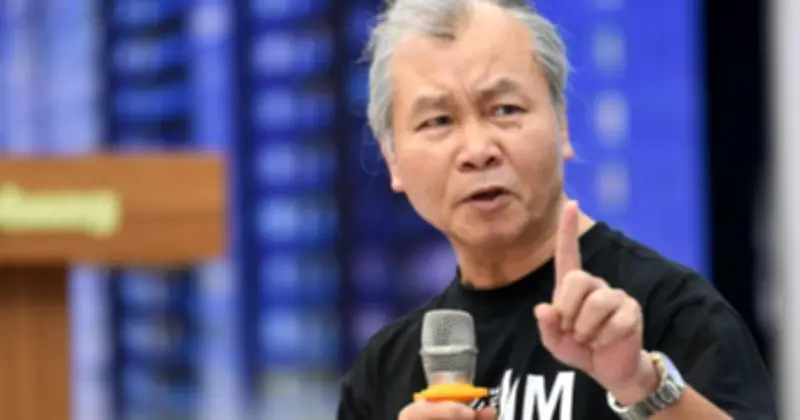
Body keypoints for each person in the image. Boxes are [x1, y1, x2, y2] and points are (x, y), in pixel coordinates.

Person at [337, 0, 777, 418]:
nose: (477, 150)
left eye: (504, 109)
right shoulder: (383, 372)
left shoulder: (671, 313)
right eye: (438, 121)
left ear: (562, 124)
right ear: (392, 158)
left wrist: (640, 384)